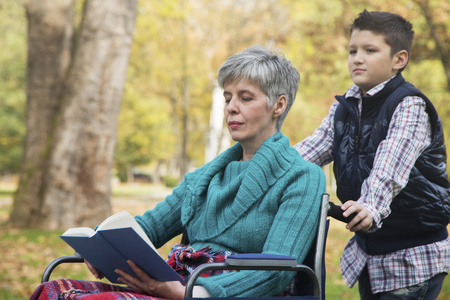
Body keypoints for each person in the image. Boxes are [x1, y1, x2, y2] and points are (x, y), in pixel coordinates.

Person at [30, 45, 326, 300]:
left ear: (279, 105)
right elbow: (148, 228)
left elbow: (278, 270)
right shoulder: (206, 177)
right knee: (55, 290)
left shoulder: (302, 177)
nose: (231, 108)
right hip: (175, 283)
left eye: (245, 98)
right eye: (227, 98)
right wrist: (102, 248)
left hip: (220, 292)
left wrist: (191, 292)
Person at [294, 9, 450, 300]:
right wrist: (261, 169)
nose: (358, 58)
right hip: (370, 252)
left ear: (399, 60)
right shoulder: (345, 108)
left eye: (370, 50)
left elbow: (389, 168)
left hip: (412, 257)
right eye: (352, 50)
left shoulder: (408, 106)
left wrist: (371, 207)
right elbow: (308, 151)